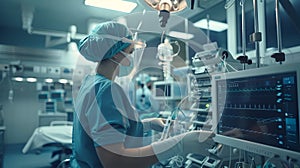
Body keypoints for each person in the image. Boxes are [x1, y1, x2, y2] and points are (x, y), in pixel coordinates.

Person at [71, 21, 214, 168]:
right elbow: (115, 161)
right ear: (116, 52)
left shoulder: (90, 84)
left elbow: (100, 131)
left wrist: (145, 124)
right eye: (131, 52)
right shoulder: (106, 89)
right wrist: (177, 145)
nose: (132, 58)